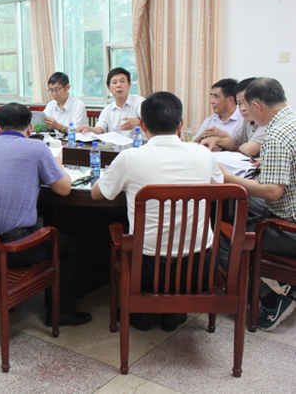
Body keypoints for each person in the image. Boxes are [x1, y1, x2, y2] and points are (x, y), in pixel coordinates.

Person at [91, 91, 223, 331]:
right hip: (199, 267)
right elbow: (218, 184)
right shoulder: (204, 154)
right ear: (181, 124)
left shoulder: (130, 158)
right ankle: (174, 312)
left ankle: (141, 312)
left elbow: (97, 194)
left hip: (147, 269)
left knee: (124, 235)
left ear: (142, 125)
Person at [0, 103, 91, 327]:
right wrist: (58, 165)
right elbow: (64, 189)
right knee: (71, 244)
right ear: (30, 128)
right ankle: (61, 312)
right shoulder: (37, 148)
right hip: (17, 249)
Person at [218, 78, 296, 331]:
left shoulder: (276, 134)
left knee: (222, 239)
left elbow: (272, 192)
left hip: (288, 229)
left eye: (248, 108)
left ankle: (271, 301)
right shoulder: (291, 121)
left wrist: (229, 178)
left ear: (257, 106)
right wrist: (270, 161)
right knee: (245, 215)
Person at [200, 78, 265, 157]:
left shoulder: (266, 121)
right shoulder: (248, 120)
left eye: (246, 103)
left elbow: (249, 150)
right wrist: (215, 141)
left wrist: (237, 148)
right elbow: (235, 142)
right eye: (239, 103)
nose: (242, 108)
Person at [77, 67, 143, 137]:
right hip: (114, 144)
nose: (118, 85)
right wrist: (89, 129)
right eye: (114, 82)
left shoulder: (140, 102)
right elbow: (98, 129)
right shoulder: (107, 110)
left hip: (138, 144)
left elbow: (150, 120)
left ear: (129, 85)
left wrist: (138, 121)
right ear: (109, 88)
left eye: (122, 81)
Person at [193, 78, 243, 143]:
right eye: (212, 96)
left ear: (230, 100)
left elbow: (244, 146)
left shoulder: (243, 121)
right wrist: (202, 135)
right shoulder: (209, 121)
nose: (212, 101)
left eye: (216, 97)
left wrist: (224, 136)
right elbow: (193, 145)